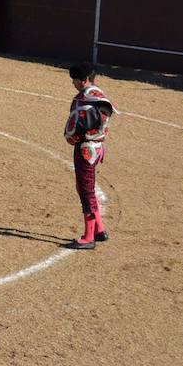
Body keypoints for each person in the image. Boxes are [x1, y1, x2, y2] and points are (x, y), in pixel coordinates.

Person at [64, 62, 115, 249]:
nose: (73, 83)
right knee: (84, 187)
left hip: (85, 148)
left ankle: (88, 237)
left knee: (86, 191)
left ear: (82, 80)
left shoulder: (82, 100)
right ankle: (99, 230)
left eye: (74, 80)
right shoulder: (100, 97)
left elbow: (72, 132)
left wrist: (75, 137)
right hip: (97, 147)